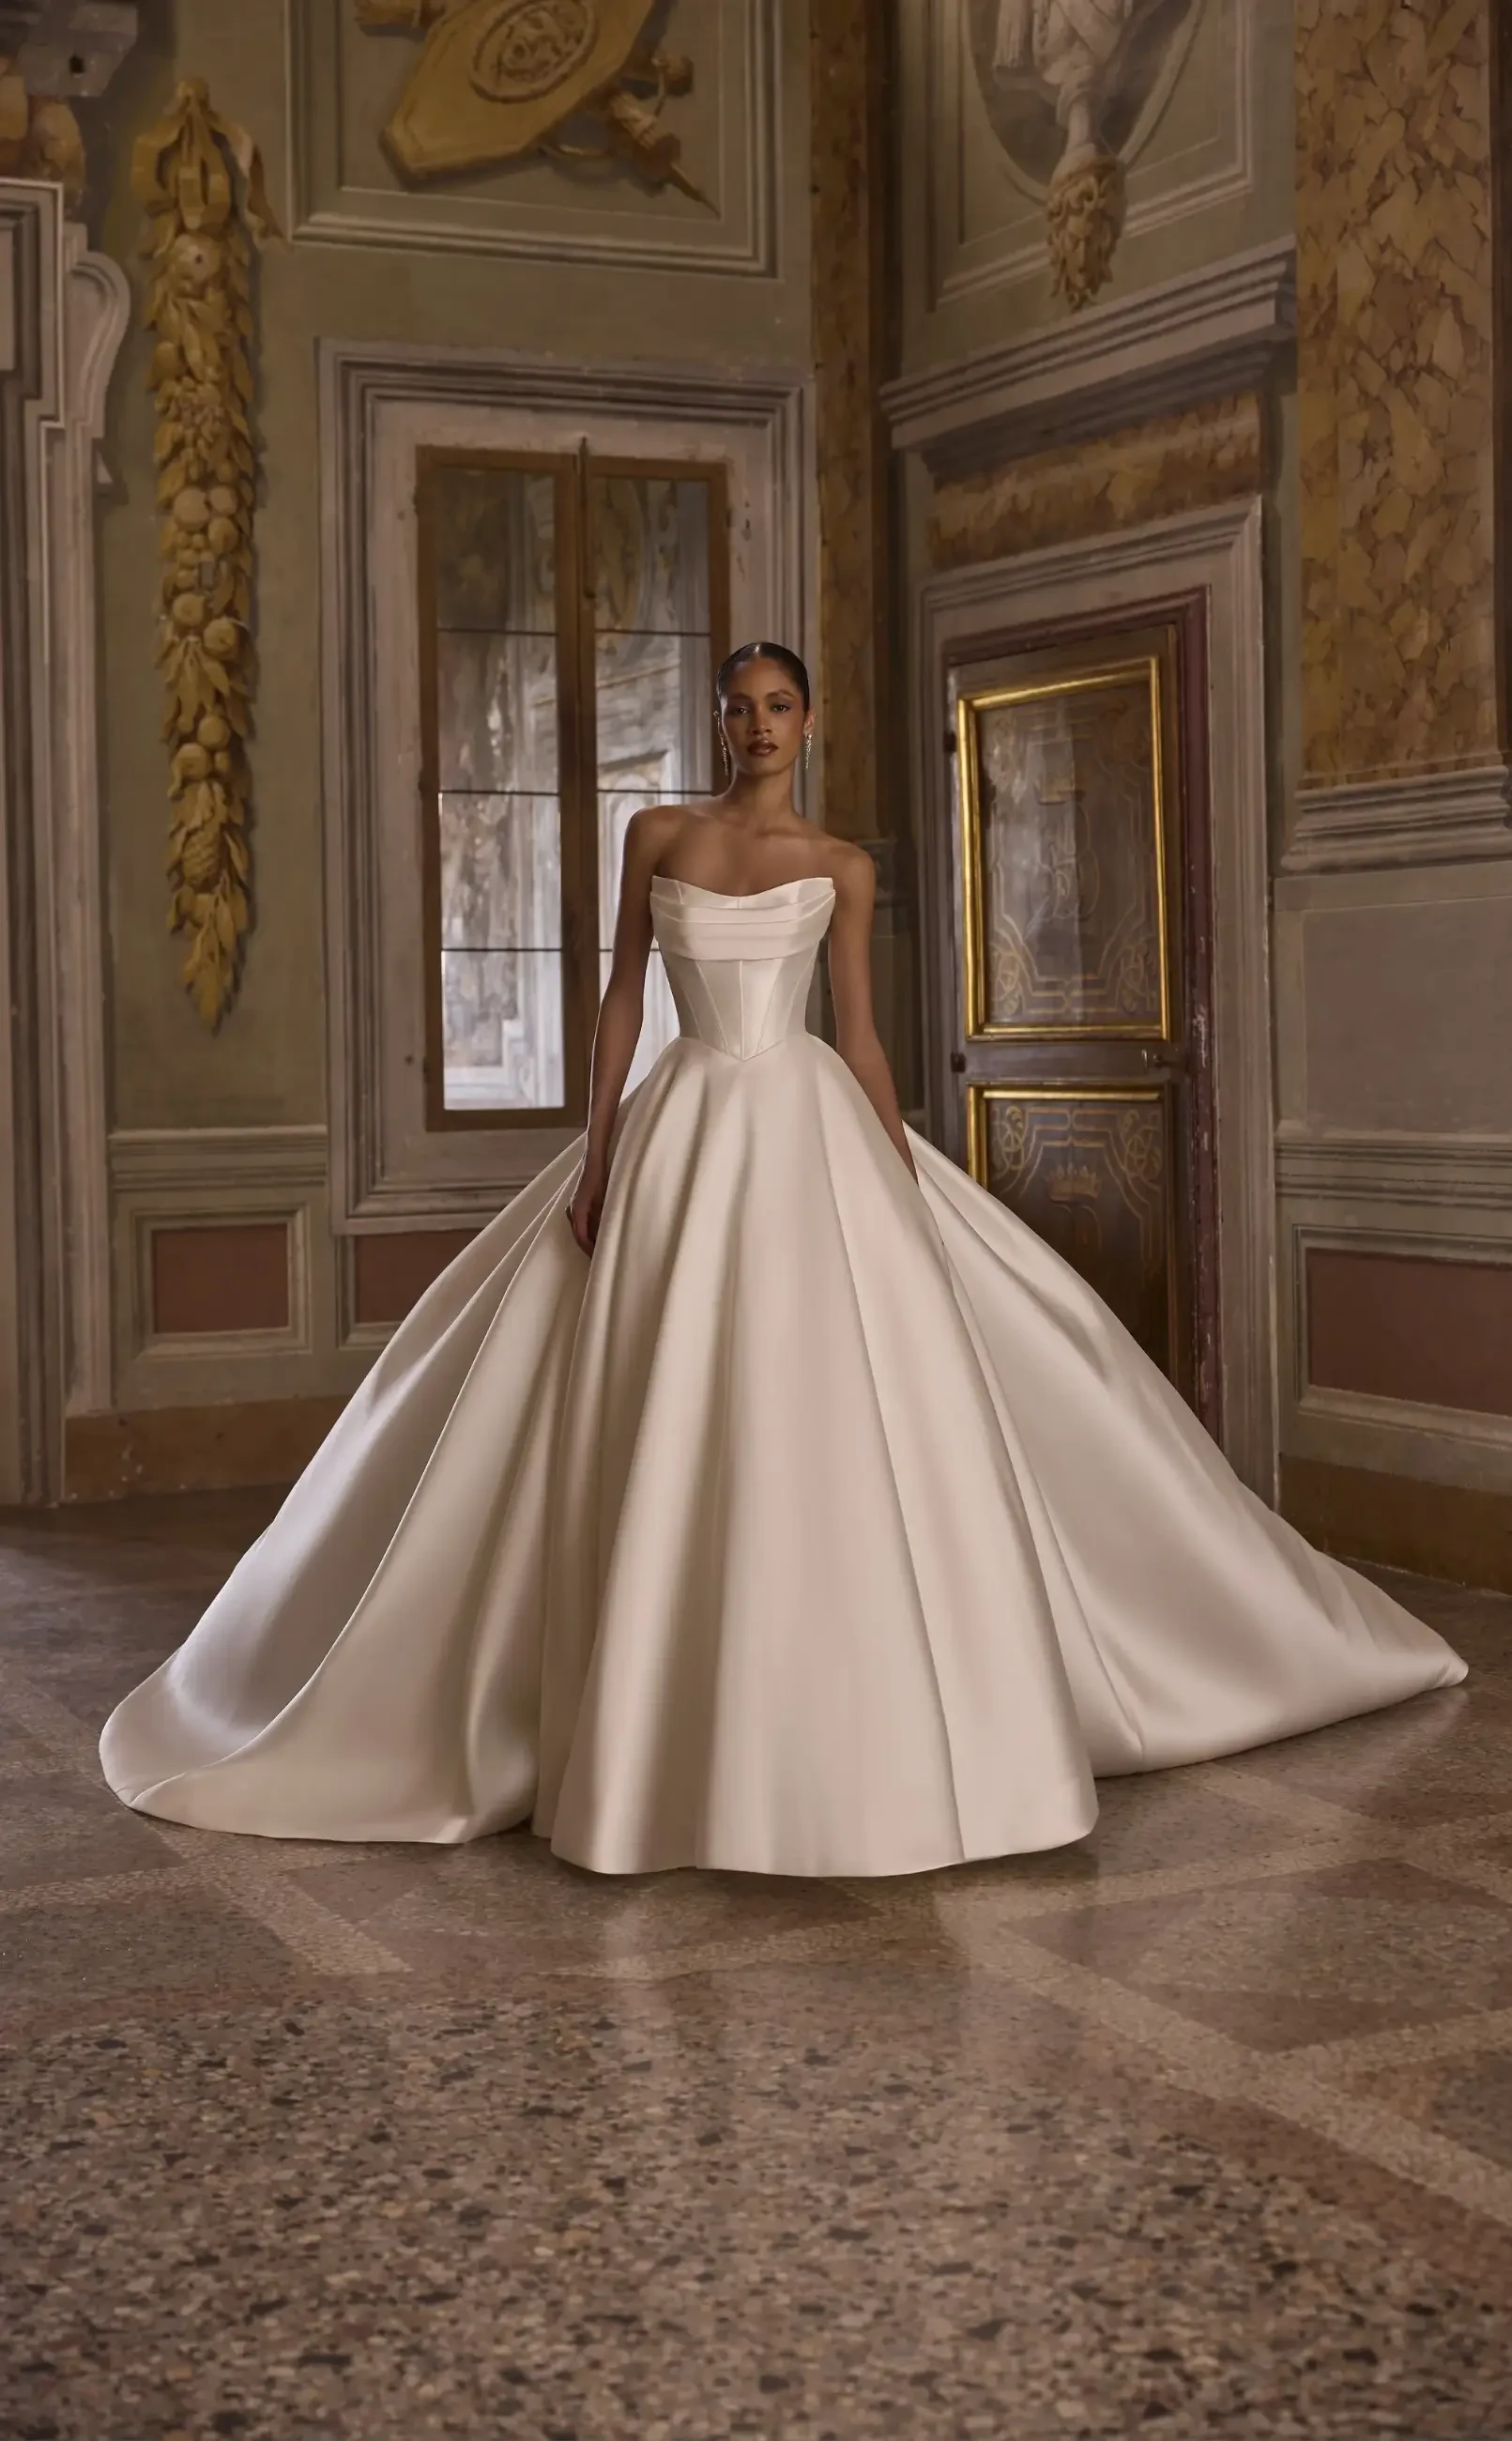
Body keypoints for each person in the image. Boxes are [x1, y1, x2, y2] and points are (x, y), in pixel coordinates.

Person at [99, 643, 1466, 1878]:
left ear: (807, 722)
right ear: (718, 721)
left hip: (806, 1124)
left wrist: (898, 1172)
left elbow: (859, 1034)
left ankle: (844, 1734)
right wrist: (594, 1159)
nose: (755, 727)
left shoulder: (841, 864)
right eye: (736, 709)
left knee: (834, 1414)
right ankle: (642, 1734)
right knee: (662, 1401)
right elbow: (621, 998)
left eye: (776, 708)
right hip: (680, 1122)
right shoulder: (658, 834)